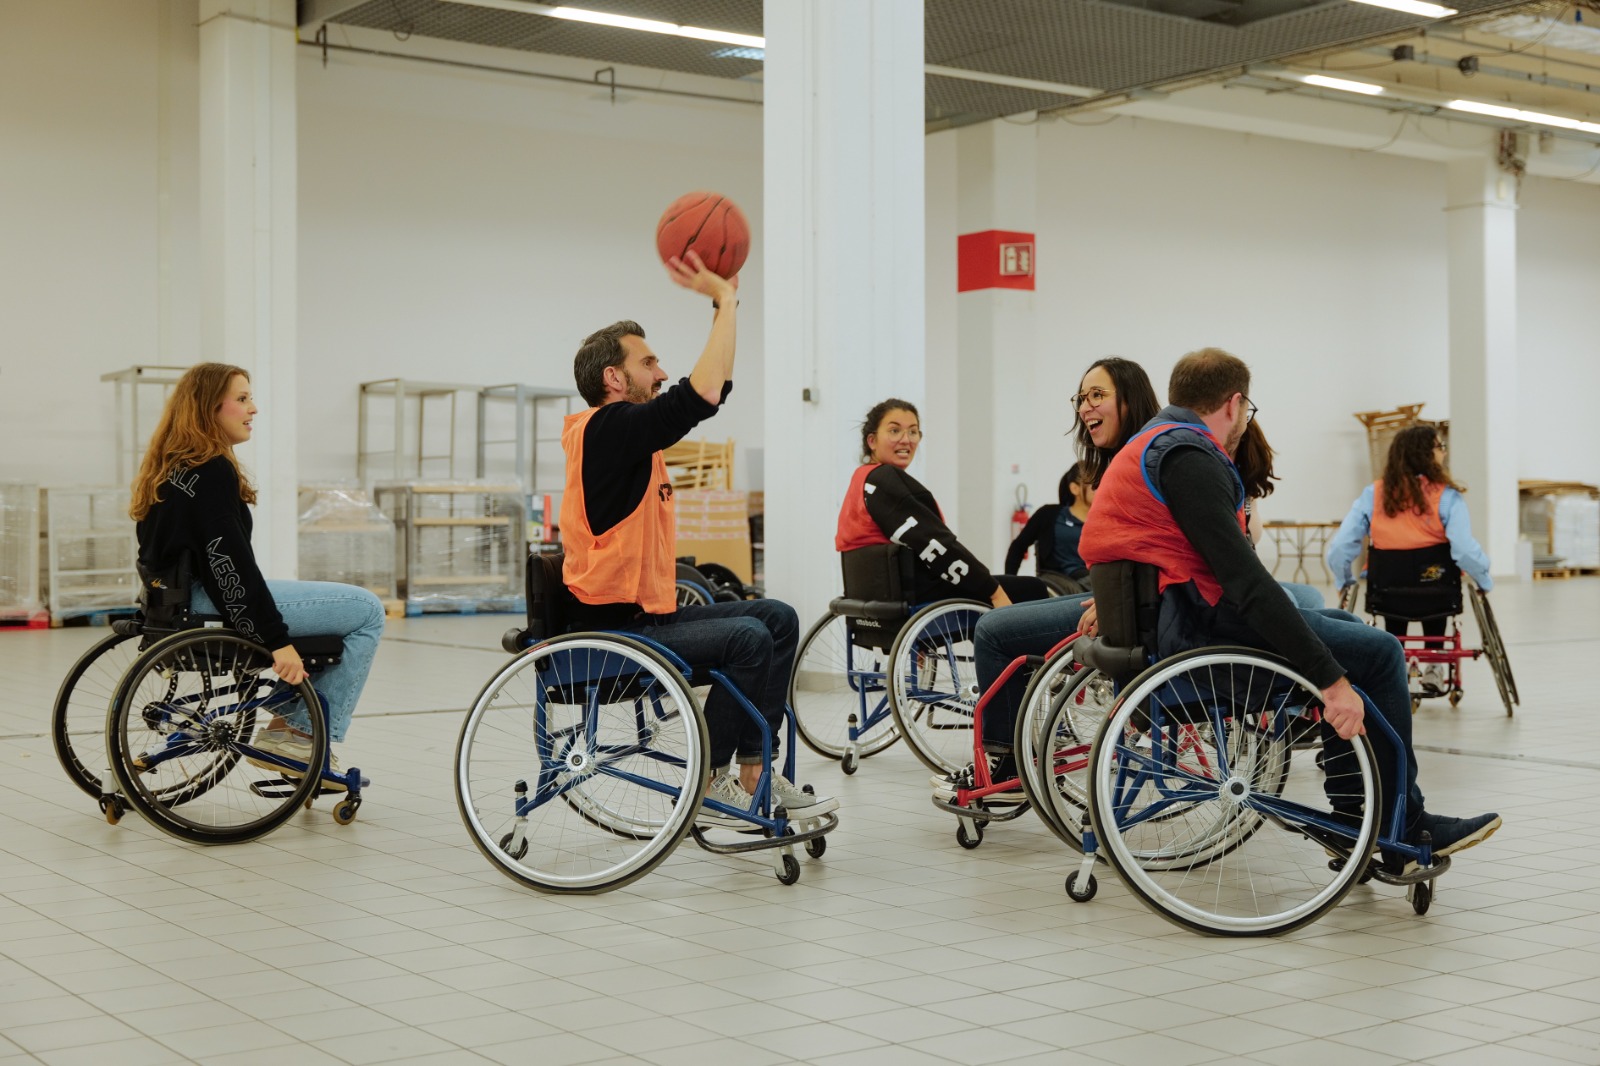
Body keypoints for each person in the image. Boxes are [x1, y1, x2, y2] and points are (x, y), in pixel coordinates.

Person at [1079, 347, 1500, 862]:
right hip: (1191, 639)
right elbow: (1246, 583)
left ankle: (1356, 817)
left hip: (1170, 623)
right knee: (1380, 652)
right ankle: (1402, 826)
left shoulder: (1156, 445)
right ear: (1234, 405)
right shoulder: (1188, 457)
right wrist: (1329, 680)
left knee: (1344, 626)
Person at [561, 251, 835, 826]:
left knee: (778, 617)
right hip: (611, 630)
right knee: (746, 640)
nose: (660, 373)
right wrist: (729, 301)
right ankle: (707, 785)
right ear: (614, 377)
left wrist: (721, 308)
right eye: (649, 361)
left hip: (646, 618)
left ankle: (756, 773)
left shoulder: (630, 438)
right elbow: (700, 395)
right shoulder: (607, 429)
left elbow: (714, 389)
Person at [130, 363, 385, 789]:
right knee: (366, 610)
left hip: (173, 603)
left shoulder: (169, 468)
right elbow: (230, 567)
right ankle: (297, 735)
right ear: (211, 407)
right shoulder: (210, 470)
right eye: (243, 398)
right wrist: (276, 641)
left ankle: (289, 726)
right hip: (210, 600)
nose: (254, 408)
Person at [949, 357, 1162, 799]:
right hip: (1107, 593)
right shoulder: (1130, 457)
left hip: (1126, 604)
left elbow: (1159, 546)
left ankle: (1006, 761)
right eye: (1081, 398)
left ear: (1130, 398)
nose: (1085, 407)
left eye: (1097, 395)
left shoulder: (1143, 457)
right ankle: (1015, 746)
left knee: (992, 630)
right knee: (1007, 612)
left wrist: (1112, 603)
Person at [836, 399, 1050, 608]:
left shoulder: (862, 478)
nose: (906, 439)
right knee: (1033, 588)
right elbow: (935, 542)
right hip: (910, 592)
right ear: (871, 441)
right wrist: (993, 591)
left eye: (913, 431)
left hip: (874, 592)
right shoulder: (884, 479)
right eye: (894, 431)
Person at [1327, 425, 1491, 694]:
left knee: (1395, 599)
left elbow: (1341, 548)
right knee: (1435, 581)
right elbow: (1463, 550)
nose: (1444, 454)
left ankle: (1397, 662)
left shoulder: (1374, 494)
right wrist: (1484, 577)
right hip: (1439, 592)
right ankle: (1435, 665)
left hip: (1387, 592)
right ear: (1427, 454)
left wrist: (1343, 579)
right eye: (1441, 448)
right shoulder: (1447, 497)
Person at [1236, 418, 1324, 610]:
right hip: (1232, 584)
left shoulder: (1246, 491)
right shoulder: (1226, 483)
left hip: (1248, 577)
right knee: (1288, 601)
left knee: (1311, 596)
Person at [1004, 463, 1092, 591]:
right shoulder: (1049, 515)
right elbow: (1018, 547)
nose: (1101, 489)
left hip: (1095, 578)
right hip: (1061, 582)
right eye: (1095, 485)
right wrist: (1008, 586)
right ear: (1075, 488)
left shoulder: (1107, 520)